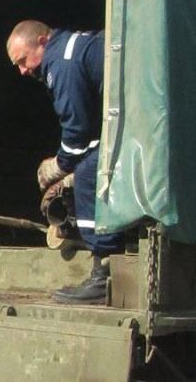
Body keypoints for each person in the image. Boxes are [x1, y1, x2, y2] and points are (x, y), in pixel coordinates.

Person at [7, 19, 120, 304]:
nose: (22, 71)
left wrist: (59, 167)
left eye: (23, 61)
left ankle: (103, 275)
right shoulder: (78, 45)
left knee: (87, 176)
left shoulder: (63, 62)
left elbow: (78, 130)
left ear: (42, 42)